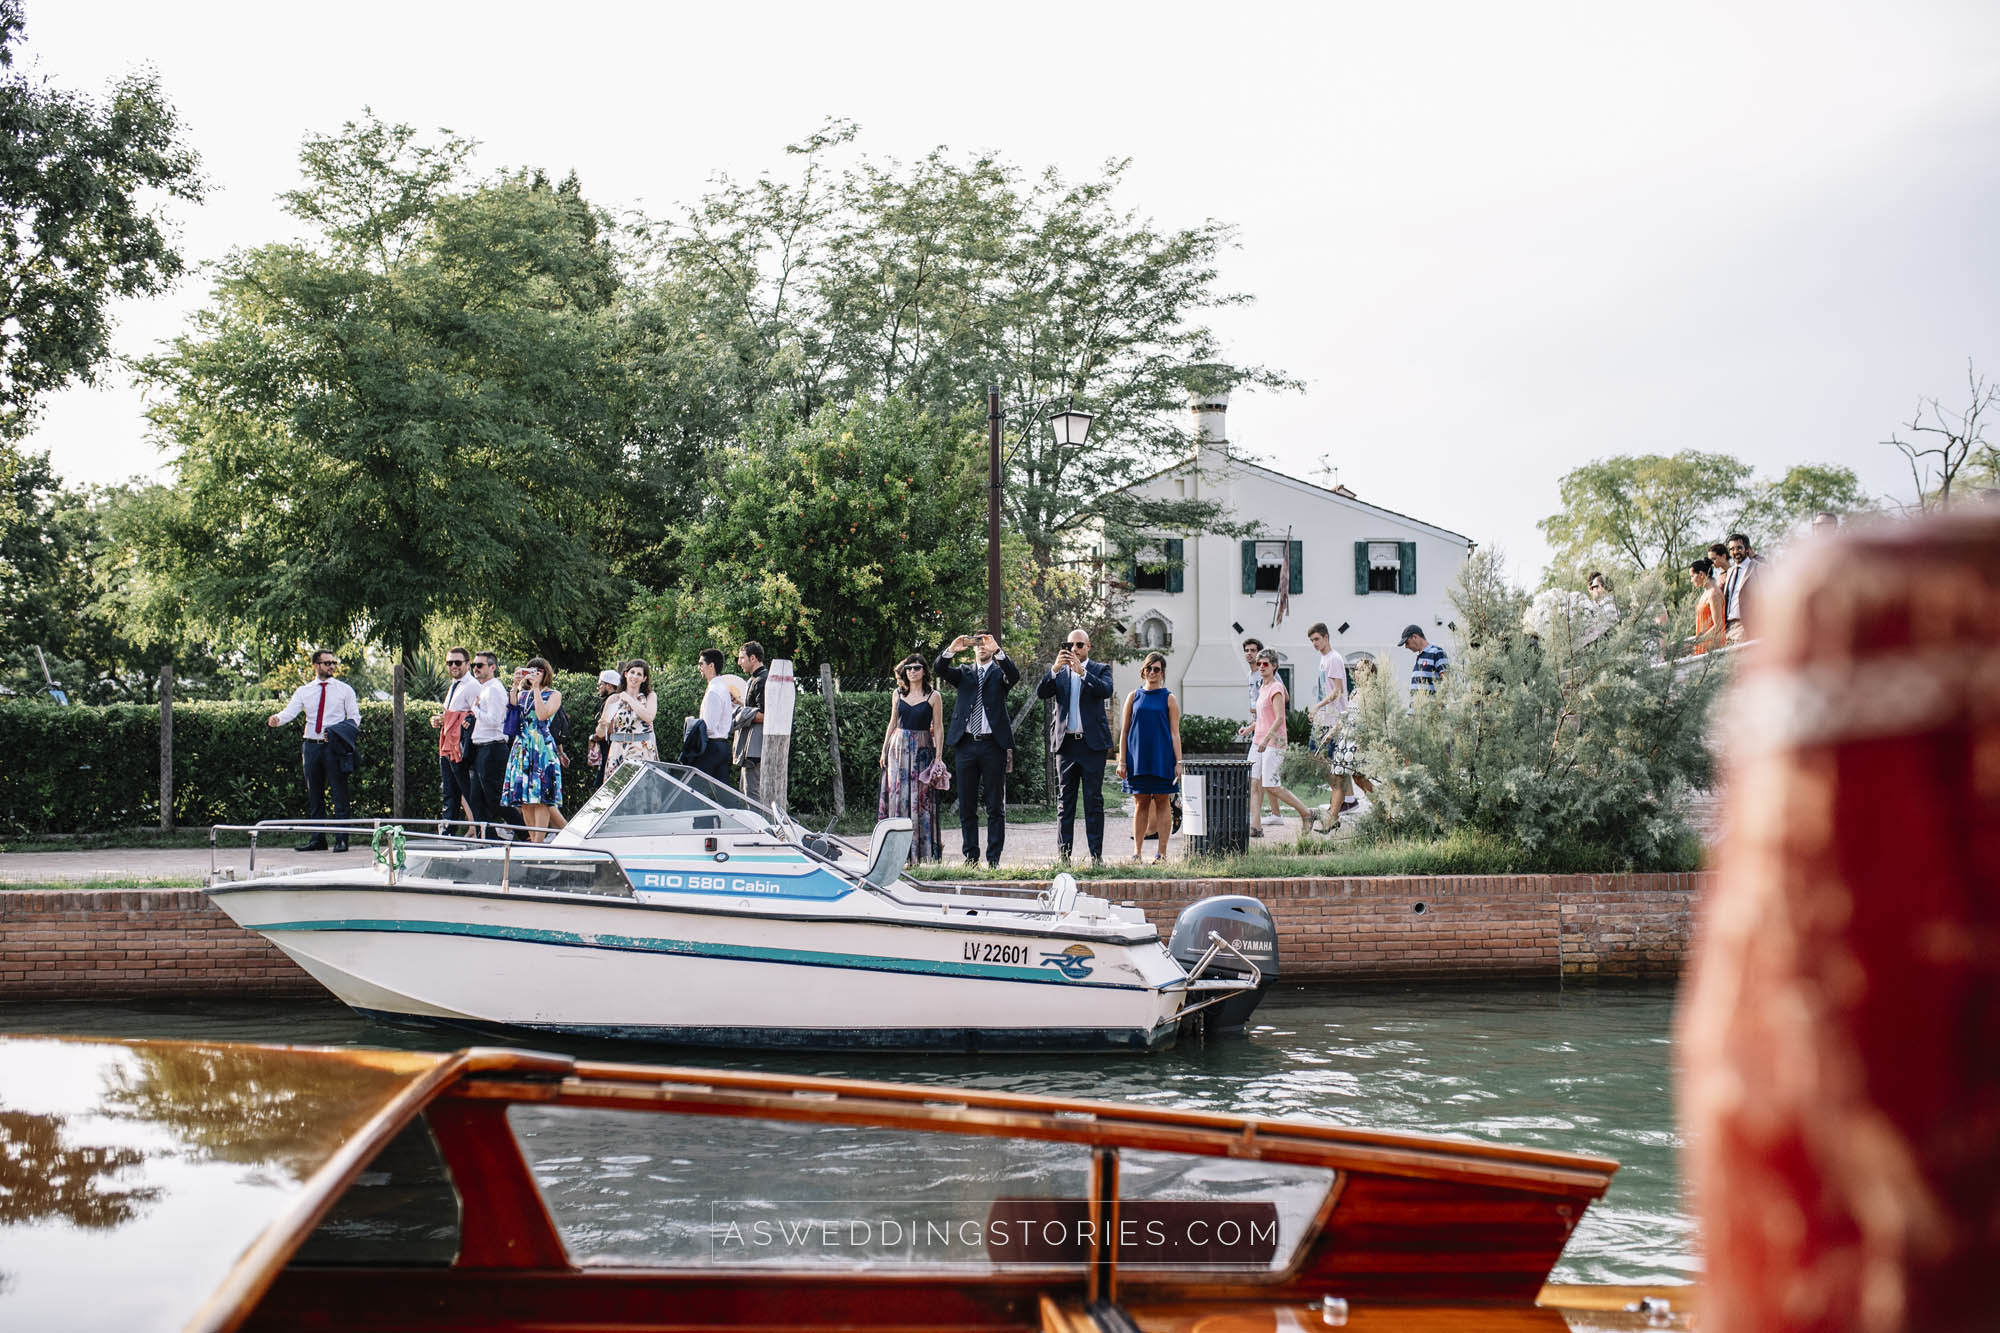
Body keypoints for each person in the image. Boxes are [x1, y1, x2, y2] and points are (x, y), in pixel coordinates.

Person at [935, 630, 1020, 867]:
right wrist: (951, 649)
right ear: (973, 648)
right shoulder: (964, 673)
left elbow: (1014, 675)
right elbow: (939, 669)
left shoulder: (1000, 673)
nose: (982, 646)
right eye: (978, 643)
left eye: (986, 643)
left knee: (995, 806)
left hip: (994, 745)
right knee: (967, 805)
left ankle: (993, 859)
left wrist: (998, 651)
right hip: (966, 744)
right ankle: (971, 857)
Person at [266, 648, 361, 852]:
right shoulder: (304, 691)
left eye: (333, 663)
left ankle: (342, 839)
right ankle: (318, 839)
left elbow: (354, 718)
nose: (332, 666)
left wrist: (336, 733)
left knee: (339, 793)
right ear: (316, 666)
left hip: (333, 747)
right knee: (315, 794)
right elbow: (290, 711)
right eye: (327, 663)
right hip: (311, 746)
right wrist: (277, 719)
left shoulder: (345, 690)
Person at [1037, 629, 1116, 866]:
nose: (1074, 649)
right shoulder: (1060, 673)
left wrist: (1082, 673)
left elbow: (1106, 690)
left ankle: (1096, 857)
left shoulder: (1100, 669)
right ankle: (1064, 857)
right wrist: (1054, 668)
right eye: (1070, 645)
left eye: (1079, 645)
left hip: (1092, 746)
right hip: (1066, 745)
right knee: (1065, 802)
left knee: (1094, 801)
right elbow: (1042, 692)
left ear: (1088, 647)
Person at [877, 655, 946, 864]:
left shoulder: (934, 696)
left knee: (921, 800)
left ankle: (920, 853)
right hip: (897, 749)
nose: (912, 671)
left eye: (917, 668)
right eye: (909, 668)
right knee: (897, 796)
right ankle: (895, 853)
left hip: (922, 751)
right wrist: (884, 750)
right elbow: (892, 723)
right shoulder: (897, 694)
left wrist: (938, 757)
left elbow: (939, 727)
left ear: (924, 671)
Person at [1114, 651, 1182, 863]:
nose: (1152, 672)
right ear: (1143, 671)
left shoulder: (1169, 699)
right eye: (1148, 668)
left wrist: (1178, 762)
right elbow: (1124, 731)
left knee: (1163, 802)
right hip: (1138, 759)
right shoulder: (1133, 696)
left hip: (1162, 758)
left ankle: (1162, 853)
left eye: (1156, 669)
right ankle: (1137, 852)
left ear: (1162, 673)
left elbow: (1175, 733)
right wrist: (1122, 761)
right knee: (1140, 803)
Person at [1248, 648, 1315, 837]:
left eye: (1265, 664)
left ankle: (1307, 813)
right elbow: (1263, 718)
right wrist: (1250, 728)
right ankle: (1255, 827)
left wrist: (1266, 739)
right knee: (1254, 783)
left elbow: (1279, 718)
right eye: (1259, 663)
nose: (1261, 666)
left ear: (1274, 666)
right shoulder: (1262, 686)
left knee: (1271, 785)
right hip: (1257, 741)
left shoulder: (1276, 688)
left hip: (1273, 743)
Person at [501, 657, 563, 842]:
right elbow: (511, 714)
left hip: (541, 747)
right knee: (524, 798)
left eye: (539, 671)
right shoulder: (522, 695)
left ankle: (539, 841)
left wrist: (536, 688)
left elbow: (543, 715)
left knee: (542, 797)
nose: (534, 674)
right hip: (522, 747)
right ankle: (532, 837)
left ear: (546, 673)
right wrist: (515, 685)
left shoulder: (553, 694)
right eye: (531, 670)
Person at [1305, 623, 1357, 819]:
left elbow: (1337, 691)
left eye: (1317, 639)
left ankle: (1343, 799)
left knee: (1330, 762)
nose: (1314, 643)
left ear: (1326, 637)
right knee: (1322, 759)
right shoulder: (1324, 658)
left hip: (1334, 719)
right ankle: (1348, 799)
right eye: (1312, 640)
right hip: (1324, 718)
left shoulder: (1334, 659)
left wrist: (1317, 706)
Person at [429, 646, 478, 833]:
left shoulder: (472, 686)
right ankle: (448, 831)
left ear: (467, 663)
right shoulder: (454, 686)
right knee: (449, 790)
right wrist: (441, 719)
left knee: (467, 790)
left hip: (461, 747)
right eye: (450, 663)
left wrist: (451, 719)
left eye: (457, 662)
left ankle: (482, 830)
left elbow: (475, 714)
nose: (453, 666)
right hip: (448, 745)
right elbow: (451, 714)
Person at [462, 651, 511, 837]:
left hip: (492, 746)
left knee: (494, 798)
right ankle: (488, 837)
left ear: (492, 667)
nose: (475, 669)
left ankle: (526, 834)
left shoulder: (494, 689)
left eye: (480, 665)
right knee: (476, 798)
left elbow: (495, 720)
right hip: (481, 747)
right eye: (474, 665)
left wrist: (475, 709)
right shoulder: (484, 689)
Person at [597, 659, 659, 775]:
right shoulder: (614, 699)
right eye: (632, 672)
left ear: (644, 678)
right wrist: (602, 725)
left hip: (642, 750)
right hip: (618, 750)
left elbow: (649, 717)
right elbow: (601, 733)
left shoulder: (649, 696)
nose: (634, 676)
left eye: (639, 674)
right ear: (626, 674)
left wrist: (629, 699)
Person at [693, 649, 738, 783]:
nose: (699, 668)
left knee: (696, 787)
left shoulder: (714, 691)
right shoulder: (722, 688)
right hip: (722, 746)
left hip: (712, 746)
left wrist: (693, 725)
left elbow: (709, 727)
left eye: (701, 664)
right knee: (720, 791)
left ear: (711, 666)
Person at [732, 642, 769, 799]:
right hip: (750, 747)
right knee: (745, 790)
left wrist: (741, 713)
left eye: (742, 658)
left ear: (753, 658)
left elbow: (766, 716)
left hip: (756, 748)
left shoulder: (762, 680)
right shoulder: (754, 679)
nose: (739, 662)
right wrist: (740, 704)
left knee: (752, 793)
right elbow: (754, 709)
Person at [1722, 532, 1766, 642]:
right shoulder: (1730, 572)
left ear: (1746, 549)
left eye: (1739, 548)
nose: (1735, 552)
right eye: (1732, 549)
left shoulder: (1758, 568)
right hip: (1729, 628)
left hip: (1746, 627)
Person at [584, 668, 623, 786]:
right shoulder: (618, 698)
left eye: (600, 684)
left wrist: (594, 737)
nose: (598, 688)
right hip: (612, 749)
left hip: (610, 750)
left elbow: (609, 729)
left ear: (609, 685)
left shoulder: (612, 699)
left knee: (602, 788)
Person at [1688, 558, 1726, 654]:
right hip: (1704, 649)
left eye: (1692, 576)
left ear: (1701, 574)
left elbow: (1718, 626)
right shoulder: (1706, 593)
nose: (1691, 580)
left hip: (1713, 650)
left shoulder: (1713, 594)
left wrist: (1698, 641)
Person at [1402, 625, 1449, 695]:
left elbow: (1447, 679)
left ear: (1414, 637)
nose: (1406, 646)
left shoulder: (1437, 652)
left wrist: (1439, 700)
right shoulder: (1421, 656)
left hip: (1431, 701)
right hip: (1418, 702)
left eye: (1407, 642)